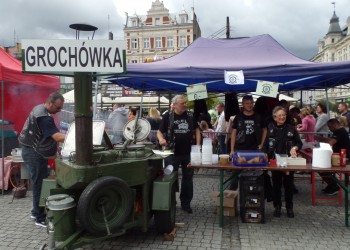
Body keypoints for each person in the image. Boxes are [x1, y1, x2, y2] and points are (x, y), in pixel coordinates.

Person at [18, 92, 66, 227]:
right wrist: (76, 136)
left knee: (39, 182)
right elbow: (57, 137)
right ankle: (39, 218)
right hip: (34, 153)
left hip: (30, 150)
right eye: (57, 108)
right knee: (39, 184)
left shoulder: (39, 107)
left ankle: (35, 211)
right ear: (50, 103)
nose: (59, 110)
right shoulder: (44, 117)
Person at [157, 95, 201, 214]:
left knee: (188, 179)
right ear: (175, 105)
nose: (185, 105)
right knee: (170, 178)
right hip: (172, 153)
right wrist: (161, 139)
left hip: (188, 152)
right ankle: (170, 202)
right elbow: (159, 132)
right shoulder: (168, 116)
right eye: (182, 103)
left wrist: (197, 145)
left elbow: (197, 130)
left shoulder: (190, 116)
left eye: (185, 103)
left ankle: (186, 203)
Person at [263, 106, 303, 218]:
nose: (282, 117)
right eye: (279, 115)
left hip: (288, 161)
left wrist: (295, 148)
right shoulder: (270, 128)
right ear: (274, 117)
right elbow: (266, 144)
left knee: (288, 185)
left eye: (284, 115)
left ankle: (289, 208)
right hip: (275, 161)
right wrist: (265, 153)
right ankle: (277, 207)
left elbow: (299, 143)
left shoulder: (291, 128)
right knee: (276, 185)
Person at [315, 119, 350, 195]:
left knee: (321, 167)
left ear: (335, 125)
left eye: (330, 127)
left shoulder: (339, 131)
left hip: (342, 158)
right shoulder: (340, 131)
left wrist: (321, 140)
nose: (329, 129)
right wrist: (322, 139)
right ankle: (331, 184)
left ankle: (334, 186)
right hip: (339, 156)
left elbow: (331, 142)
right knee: (322, 167)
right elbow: (332, 140)